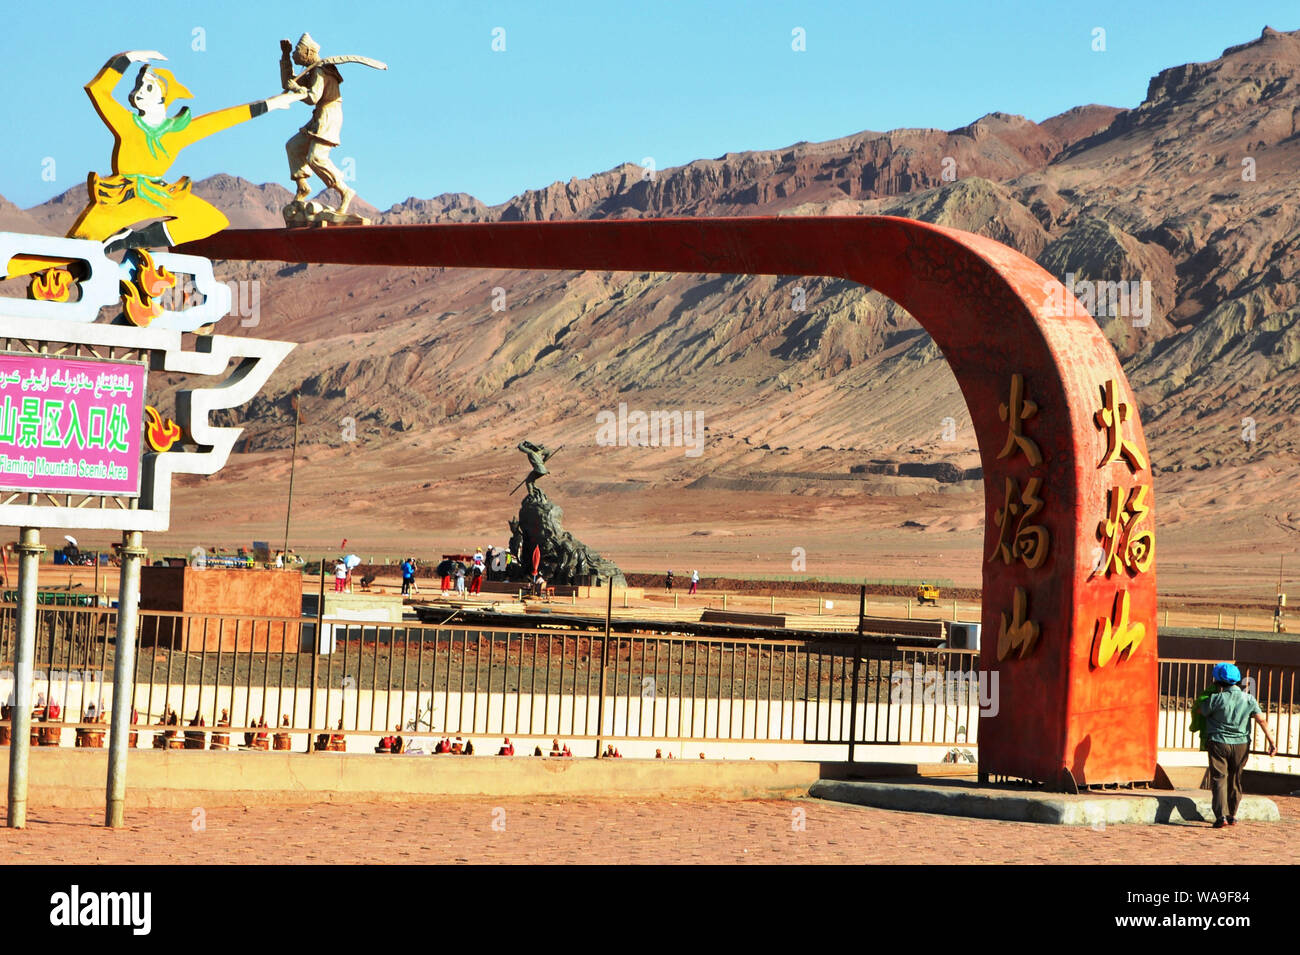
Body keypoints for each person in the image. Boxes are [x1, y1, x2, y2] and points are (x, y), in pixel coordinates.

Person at [1198, 663, 1277, 828]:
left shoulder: (1216, 699)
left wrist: (1209, 692)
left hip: (1218, 742)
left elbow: (1201, 711)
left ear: (1218, 681)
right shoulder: (1248, 699)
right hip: (1241, 744)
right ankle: (1232, 815)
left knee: (1219, 779)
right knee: (1235, 778)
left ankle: (1221, 817)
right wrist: (1271, 741)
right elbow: (1261, 720)